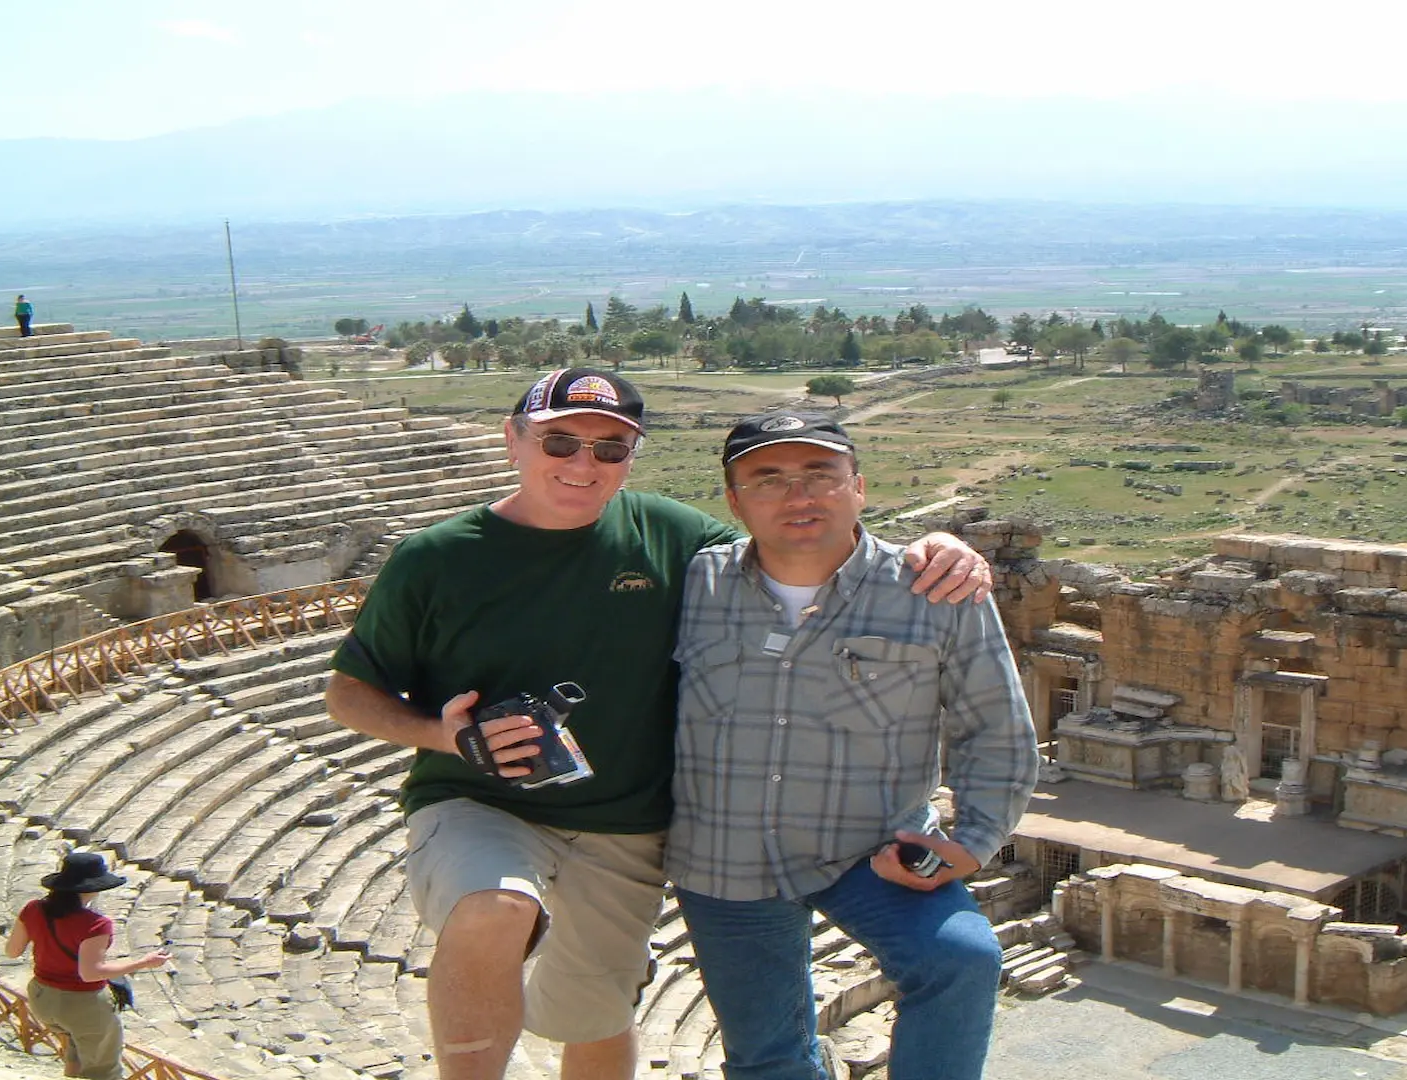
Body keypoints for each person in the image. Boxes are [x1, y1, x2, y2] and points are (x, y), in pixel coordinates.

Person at [323, 368, 990, 1080]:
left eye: (610, 448)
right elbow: (348, 693)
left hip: (628, 825)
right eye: (561, 442)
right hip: (479, 799)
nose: (585, 464)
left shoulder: (670, 535)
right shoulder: (436, 559)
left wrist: (933, 549)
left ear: (631, 458)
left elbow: (795, 550)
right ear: (514, 439)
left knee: (598, 1015)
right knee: (494, 906)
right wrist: (446, 735)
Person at [668, 411, 1040, 1080]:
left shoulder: (936, 590)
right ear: (733, 500)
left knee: (960, 961)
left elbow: (996, 726)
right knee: (766, 1059)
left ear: (858, 487)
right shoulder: (693, 584)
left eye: (820, 475)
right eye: (768, 479)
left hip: (872, 850)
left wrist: (976, 840)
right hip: (726, 857)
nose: (799, 496)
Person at [4, 850, 170, 1080]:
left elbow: (12, 952)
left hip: (42, 998)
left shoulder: (33, 909)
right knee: (104, 1072)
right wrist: (143, 962)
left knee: (76, 1050)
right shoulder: (95, 924)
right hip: (83, 1004)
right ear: (94, 887)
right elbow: (91, 973)